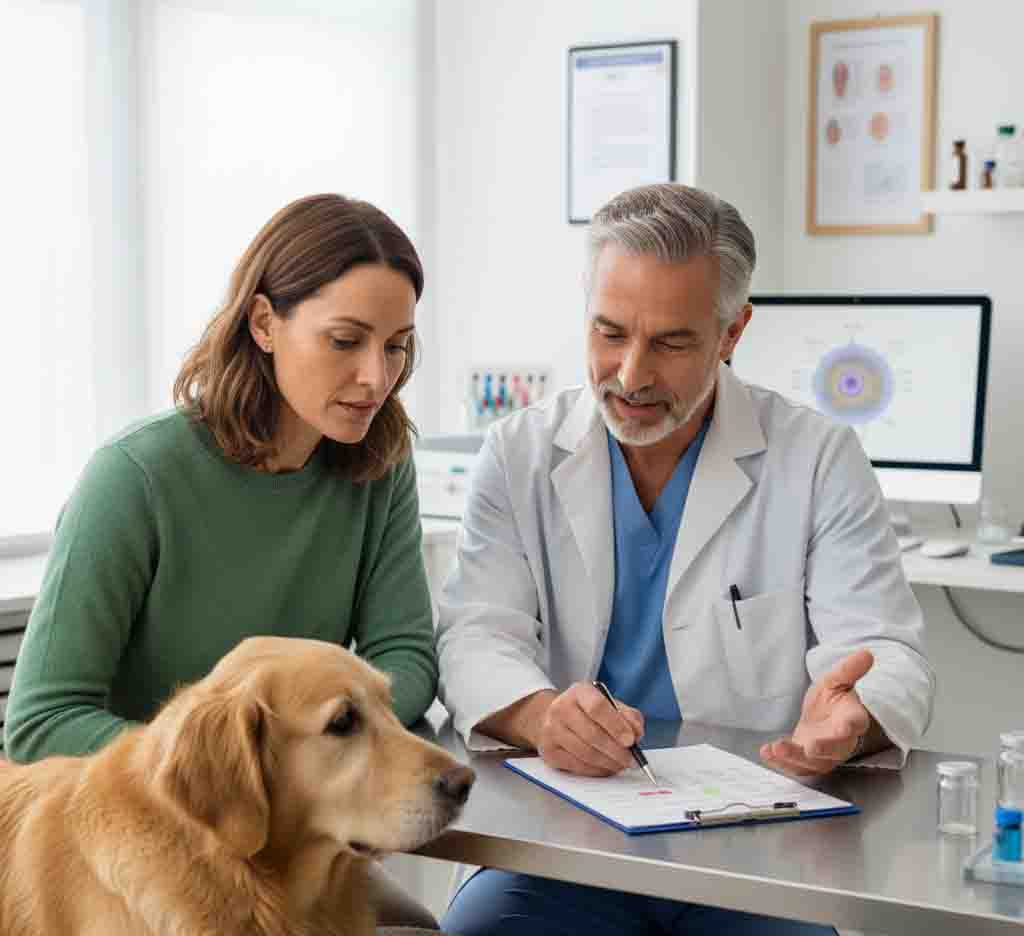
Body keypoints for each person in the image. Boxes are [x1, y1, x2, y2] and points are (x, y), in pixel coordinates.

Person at [436, 183, 935, 936]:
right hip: (571, 840)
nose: (632, 374)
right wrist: (542, 717)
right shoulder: (519, 455)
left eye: (671, 342)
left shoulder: (817, 458)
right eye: (609, 333)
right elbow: (476, 635)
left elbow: (888, 651)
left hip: (757, 854)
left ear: (732, 332)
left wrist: (854, 718)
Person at [6, 193, 441, 931]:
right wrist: (228, 774)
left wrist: (318, 756)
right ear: (266, 323)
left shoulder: (381, 465)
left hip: (287, 847)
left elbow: (407, 655)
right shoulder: (135, 477)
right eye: (345, 341)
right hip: (135, 845)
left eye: (397, 346)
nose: (377, 377)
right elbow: (42, 722)